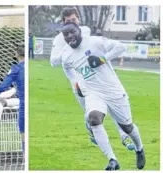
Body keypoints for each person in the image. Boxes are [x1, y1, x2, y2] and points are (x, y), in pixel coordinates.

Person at [61, 22, 145, 170]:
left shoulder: (94, 42)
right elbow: (67, 69)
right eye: (66, 34)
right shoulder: (66, 56)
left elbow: (121, 47)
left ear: (79, 31)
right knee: (94, 118)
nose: (69, 36)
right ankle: (112, 159)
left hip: (113, 91)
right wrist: (76, 84)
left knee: (127, 127)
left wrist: (102, 59)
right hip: (93, 93)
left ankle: (139, 149)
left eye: (72, 32)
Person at [49, 7, 134, 150]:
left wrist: (101, 58)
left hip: (98, 78)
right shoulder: (59, 40)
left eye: (74, 20)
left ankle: (124, 136)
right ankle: (91, 129)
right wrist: (66, 50)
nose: (72, 24)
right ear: (63, 23)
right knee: (92, 114)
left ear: (79, 20)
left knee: (114, 106)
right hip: (80, 85)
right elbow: (53, 62)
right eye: (68, 21)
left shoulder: (86, 31)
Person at [0, 45, 25, 153]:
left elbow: (4, 85)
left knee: (24, 133)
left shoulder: (17, 68)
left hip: (24, 103)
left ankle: (26, 158)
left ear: (16, 55)